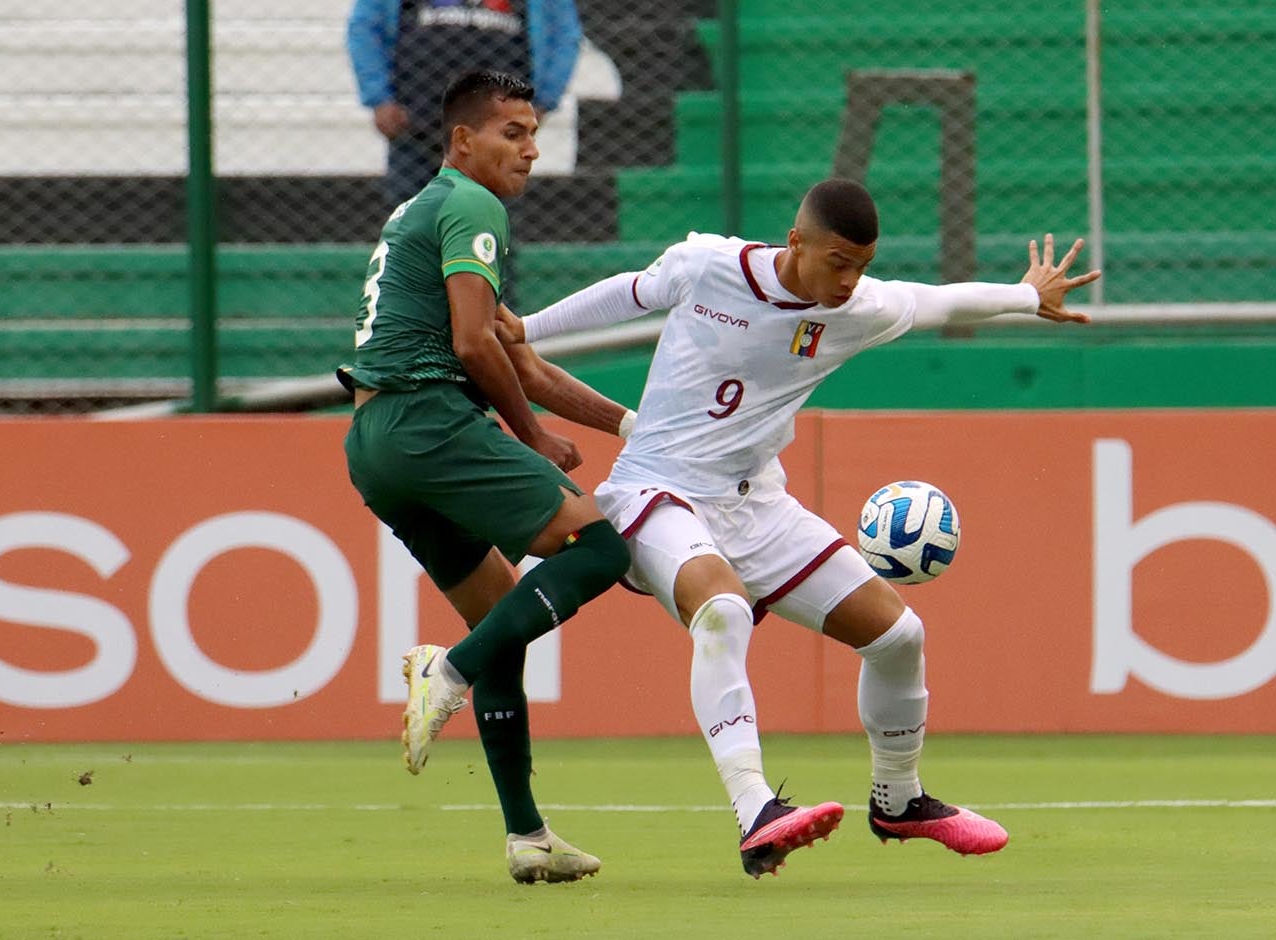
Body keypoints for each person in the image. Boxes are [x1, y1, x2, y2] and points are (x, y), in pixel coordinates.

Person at [501, 179, 1099, 878]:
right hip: (655, 489)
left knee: (897, 636)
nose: (849, 281)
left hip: (756, 505)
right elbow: (628, 292)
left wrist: (1026, 297)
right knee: (722, 612)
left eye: (862, 265)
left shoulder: (859, 307)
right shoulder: (711, 266)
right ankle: (756, 810)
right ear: (796, 243)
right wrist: (525, 328)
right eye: (838, 262)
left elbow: (938, 300)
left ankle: (898, 801)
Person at [338, 69, 632, 885]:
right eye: (512, 132)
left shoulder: (421, 209)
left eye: (535, 134)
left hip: (374, 439)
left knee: (508, 620)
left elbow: (514, 359)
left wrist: (630, 426)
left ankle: (527, 837)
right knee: (601, 550)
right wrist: (532, 438)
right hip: (428, 418)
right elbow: (472, 346)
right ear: (462, 141)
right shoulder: (473, 205)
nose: (531, 150)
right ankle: (450, 669)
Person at [346, 0, 582, 207]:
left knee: (490, 230)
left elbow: (565, 34)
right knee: (413, 231)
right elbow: (365, 27)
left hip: (499, 129)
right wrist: (379, 99)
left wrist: (543, 100)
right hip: (415, 121)